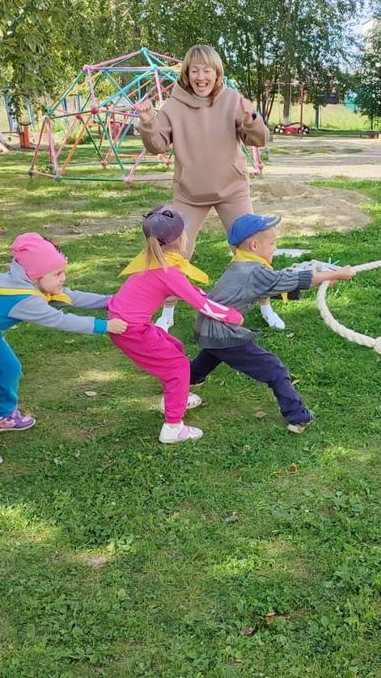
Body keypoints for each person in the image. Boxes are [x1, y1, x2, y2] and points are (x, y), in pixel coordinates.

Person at [0, 233, 129, 468]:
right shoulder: (23, 298)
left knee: (10, 369)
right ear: (35, 276)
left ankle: (2, 416)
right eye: (57, 274)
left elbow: (69, 296)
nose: (63, 278)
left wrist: (109, 301)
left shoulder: (27, 282)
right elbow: (60, 320)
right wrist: (104, 326)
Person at [137, 44, 280, 331]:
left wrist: (251, 119)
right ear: (187, 74)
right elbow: (157, 146)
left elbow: (260, 139)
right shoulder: (173, 106)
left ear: (217, 74)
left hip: (232, 190)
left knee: (253, 247)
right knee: (173, 252)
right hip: (190, 193)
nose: (201, 77)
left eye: (207, 71)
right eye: (195, 71)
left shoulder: (232, 100)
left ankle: (265, 304)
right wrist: (148, 122)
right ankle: (167, 312)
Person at [190, 213, 355, 433]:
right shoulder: (254, 270)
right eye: (272, 243)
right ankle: (298, 417)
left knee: (212, 353)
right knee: (274, 369)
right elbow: (285, 281)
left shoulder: (241, 264)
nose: (275, 248)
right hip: (222, 331)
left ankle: (183, 380)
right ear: (255, 245)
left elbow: (273, 286)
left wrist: (323, 279)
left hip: (208, 328)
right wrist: (328, 275)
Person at [107, 206, 243, 444]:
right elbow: (198, 302)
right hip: (131, 330)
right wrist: (232, 315)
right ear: (181, 239)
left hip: (129, 325)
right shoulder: (168, 271)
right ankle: (173, 427)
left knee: (175, 347)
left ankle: (173, 397)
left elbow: (188, 290)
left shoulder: (151, 259)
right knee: (178, 368)